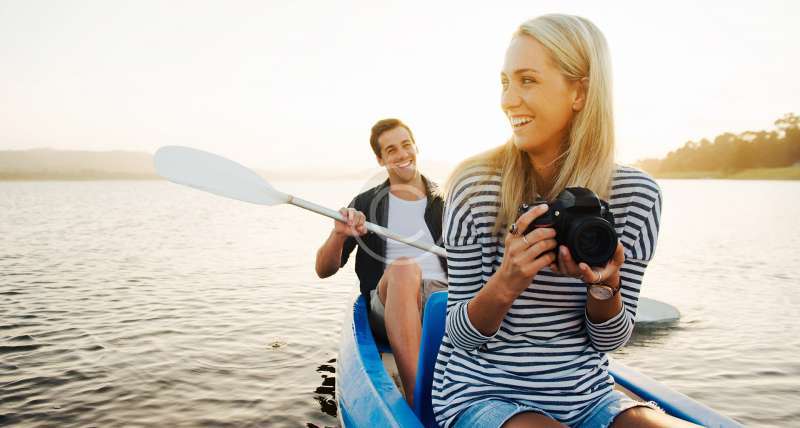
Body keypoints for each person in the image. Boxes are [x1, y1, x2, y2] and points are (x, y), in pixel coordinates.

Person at [431, 15, 698, 428]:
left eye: (527, 80)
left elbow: (611, 339)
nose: (508, 100)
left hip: (587, 396)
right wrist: (507, 281)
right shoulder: (475, 185)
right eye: (505, 82)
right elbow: (461, 337)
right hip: (483, 393)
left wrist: (604, 288)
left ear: (579, 91)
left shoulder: (637, 196)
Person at [315, 118, 447, 406]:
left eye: (406, 145)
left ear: (416, 147)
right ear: (380, 159)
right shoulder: (364, 204)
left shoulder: (446, 200)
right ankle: (418, 397)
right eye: (391, 150)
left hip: (443, 299)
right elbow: (323, 270)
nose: (402, 154)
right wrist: (339, 235)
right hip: (390, 298)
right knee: (404, 268)